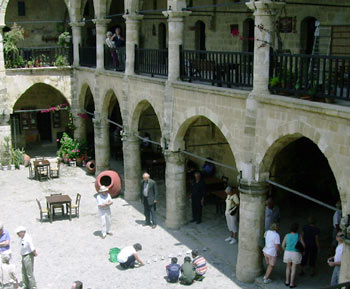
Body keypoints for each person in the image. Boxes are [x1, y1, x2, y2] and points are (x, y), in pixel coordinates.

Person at [282, 223, 305, 288]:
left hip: (287, 252)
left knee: (288, 267)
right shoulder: (299, 235)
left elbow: (283, 245)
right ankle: (292, 283)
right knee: (294, 268)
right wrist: (303, 251)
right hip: (296, 253)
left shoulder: (287, 235)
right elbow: (303, 245)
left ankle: (287, 281)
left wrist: (285, 250)